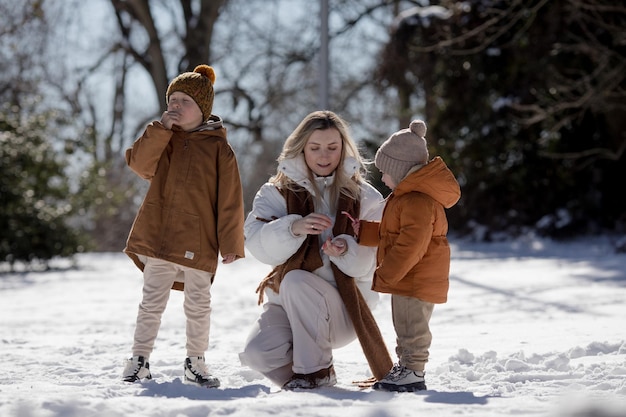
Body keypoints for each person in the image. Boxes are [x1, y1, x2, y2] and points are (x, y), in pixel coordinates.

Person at [239, 110, 393, 390]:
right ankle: (314, 387)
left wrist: (345, 249)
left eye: (333, 148)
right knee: (258, 354)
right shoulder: (274, 193)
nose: (324, 155)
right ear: (301, 149)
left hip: (346, 309)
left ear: (343, 149)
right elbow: (258, 246)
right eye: (315, 148)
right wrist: (293, 229)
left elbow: (372, 264)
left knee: (296, 280)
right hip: (288, 304)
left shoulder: (367, 197)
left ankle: (315, 373)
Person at [121, 65, 245, 388]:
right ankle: (139, 359)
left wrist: (231, 243)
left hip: (200, 241)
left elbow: (229, 200)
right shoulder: (164, 140)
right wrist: (159, 130)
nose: (175, 105)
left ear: (203, 110)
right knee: (151, 302)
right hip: (160, 237)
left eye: (184, 101)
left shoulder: (220, 150)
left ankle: (195, 361)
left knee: (198, 305)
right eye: (171, 99)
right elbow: (138, 164)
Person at [371, 120, 461, 392]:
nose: (383, 178)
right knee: (405, 326)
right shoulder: (406, 197)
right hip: (409, 277)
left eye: (386, 172)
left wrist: (387, 273)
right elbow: (393, 234)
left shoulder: (416, 201)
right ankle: (407, 367)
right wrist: (361, 232)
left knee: (412, 328)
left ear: (400, 170)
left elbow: (411, 245)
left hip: (415, 279)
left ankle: (413, 370)